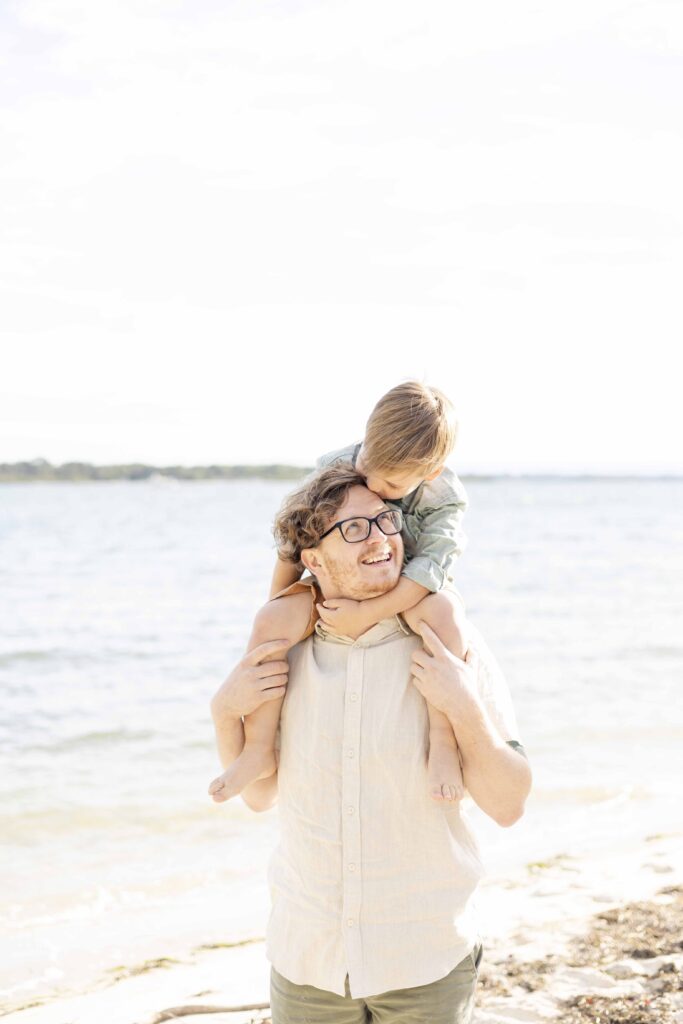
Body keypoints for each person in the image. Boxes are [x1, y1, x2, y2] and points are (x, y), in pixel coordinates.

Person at [210, 465, 532, 1024]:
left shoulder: (447, 642)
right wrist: (222, 712)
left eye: (386, 520)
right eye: (354, 529)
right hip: (306, 961)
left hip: (424, 959)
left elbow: (508, 805)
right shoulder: (281, 645)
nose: (381, 537)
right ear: (312, 559)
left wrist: (461, 703)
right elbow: (259, 796)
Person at [209, 380, 471, 806]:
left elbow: (432, 568)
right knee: (272, 620)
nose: (369, 480)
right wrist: (281, 602)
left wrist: (371, 613)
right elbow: (297, 534)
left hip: (414, 585)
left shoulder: (444, 500)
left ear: (430, 474)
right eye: (367, 462)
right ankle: (257, 749)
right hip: (345, 572)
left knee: (446, 617)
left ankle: (443, 741)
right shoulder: (339, 463)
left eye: (387, 483)